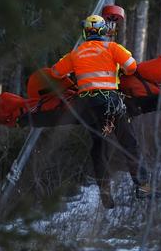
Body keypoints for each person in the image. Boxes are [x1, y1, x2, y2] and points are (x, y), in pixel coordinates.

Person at [51, 14, 150, 208]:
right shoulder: (112, 48)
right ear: (104, 31)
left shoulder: (76, 53)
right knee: (129, 143)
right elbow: (132, 67)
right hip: (111, 103)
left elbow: (55, 72)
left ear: (85, 32)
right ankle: (144, 188)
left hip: (88, 107)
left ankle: (105, 191)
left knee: (99, 147)